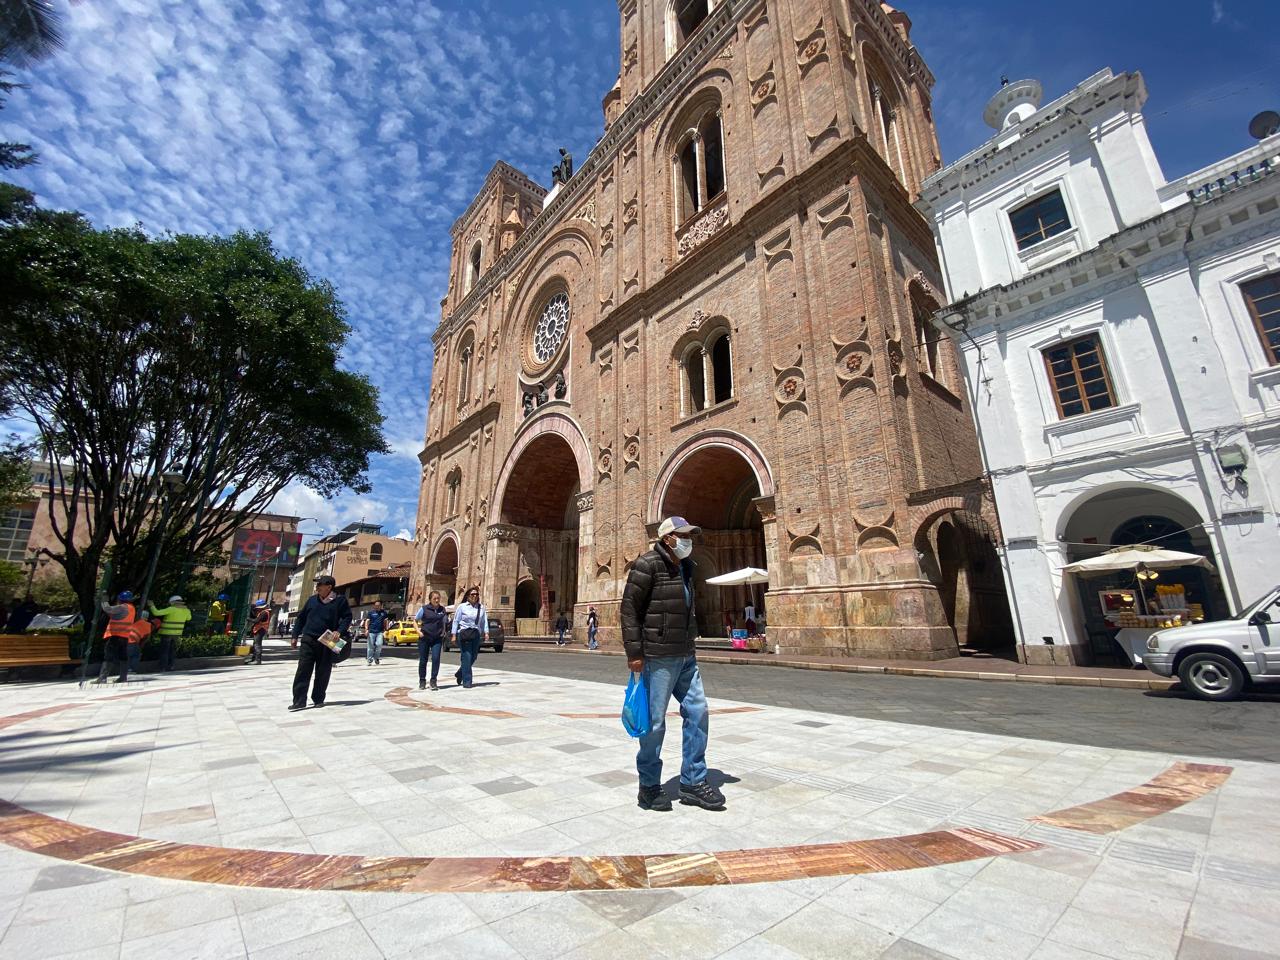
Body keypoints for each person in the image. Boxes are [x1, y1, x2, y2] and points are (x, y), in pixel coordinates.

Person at [621, 516, 724, 812]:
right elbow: (629, 610)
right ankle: (649, 786)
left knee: (698, 711)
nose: (689, 540)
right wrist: (634, 654)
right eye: (684, 535)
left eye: (690, 535)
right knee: (654, 724)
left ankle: (693, 781)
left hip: (686, 654)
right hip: (657, 656)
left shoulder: (687, 568)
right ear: (668, 538)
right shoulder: (647, 564)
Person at [290, 575, 352, 711]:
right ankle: (299, 701)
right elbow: (301, 619)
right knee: (303, 670)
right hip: (308, 639)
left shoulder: (340, 601)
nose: (317, 587)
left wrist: (339, 631)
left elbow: (347, 617)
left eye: (320, 585)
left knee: (323, 671)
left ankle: (318, 699)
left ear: (329, 587)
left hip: (327, 640)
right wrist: (295, 635)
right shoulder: (312, 600)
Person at [96, 590, 137, 684]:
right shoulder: (131, 608)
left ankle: (102, 678)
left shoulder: (122, 607)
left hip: (115, 635)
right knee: (123, 656)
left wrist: (104, 599)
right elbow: (116, 616)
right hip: (125, 636)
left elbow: (108, 609)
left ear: (121, 599)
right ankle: (123, 677)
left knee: (108, 656)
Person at [451, 585, 488, 689]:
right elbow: (456, 621)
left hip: (475, 633)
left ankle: (460, 673)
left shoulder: (481, 607)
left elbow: (484, 621)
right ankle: (467, 681)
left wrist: (486, 632)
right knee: (467, 656)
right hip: (464, 633)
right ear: (467, 596)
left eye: (476, 594)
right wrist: (453, 635)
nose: (475, 596)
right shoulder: (462, 607)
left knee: (473, 656)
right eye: (472, 594)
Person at [149, 595, 192, 671]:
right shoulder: (186, 610)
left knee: (164, 650)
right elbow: (189, 618)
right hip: (177, 634)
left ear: (173, 602)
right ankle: (171, 666)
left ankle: (163, 667)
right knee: (172, 650)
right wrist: (186, 610)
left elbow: (156, 613)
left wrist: (152, 605)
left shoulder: (171, 609)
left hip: (167, 633)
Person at [417, 591, 447, 690]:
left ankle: (433, 680)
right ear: (430, 599)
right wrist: (418, 631)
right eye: (435, 598)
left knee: (436, 658)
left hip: (437, 638)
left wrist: (443, 631)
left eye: (438, 598)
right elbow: (415, 620)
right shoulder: (424, 609)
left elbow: (444, 621)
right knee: (423, 660)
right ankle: (422, 680)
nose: (437, 600)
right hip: (425, 637)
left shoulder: (442, 609)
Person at [365, 599, 390, 666]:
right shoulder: (371, 613)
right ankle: (369, 660)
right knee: (370, 647)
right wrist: (366, 629)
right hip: (371, 632)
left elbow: (385, 621)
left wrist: (386, 629)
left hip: (380, 632)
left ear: (381, 606)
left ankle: (376, 658)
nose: (377, 606)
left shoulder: (384, 613)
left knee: (379, 645)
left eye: (378, 605)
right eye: (376, 605)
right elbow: (367, 621)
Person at [246, 599, 270, 664]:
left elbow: (256, 620)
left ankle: (257, 660)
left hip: (260, 630)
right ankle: (254, 659)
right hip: (259, 630)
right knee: (255, 645)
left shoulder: (264, 613)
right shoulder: (262, 612)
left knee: (257, 645)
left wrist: (248, 619)